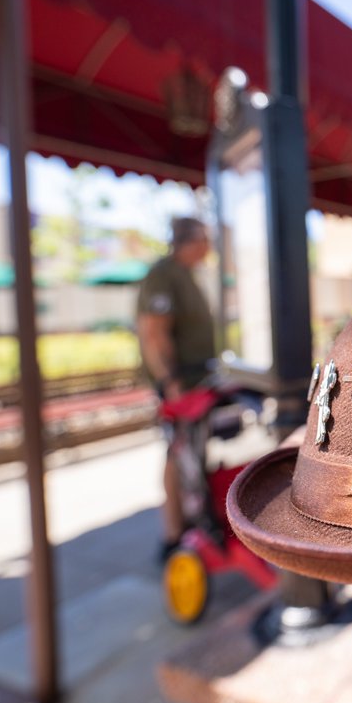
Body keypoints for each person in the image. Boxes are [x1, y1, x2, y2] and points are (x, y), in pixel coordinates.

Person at [135, 216, 217, 560]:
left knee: (192, 458)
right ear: (191, 240)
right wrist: (171, 386)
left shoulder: (186, 275)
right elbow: (153, 333)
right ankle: (172, 535)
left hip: (197, 383)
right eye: (205, 239)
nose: (209, 246)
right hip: (179, 387)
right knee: (176, 454)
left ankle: (192, 521)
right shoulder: (164, 275)